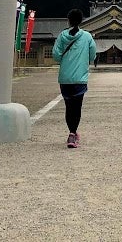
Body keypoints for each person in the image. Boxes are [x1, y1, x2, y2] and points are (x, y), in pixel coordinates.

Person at [51, 8, 96, 149]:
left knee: (68, 107)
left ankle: (72, 132)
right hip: (80, 78)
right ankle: (72, 133)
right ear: (81, 21)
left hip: (65, 77)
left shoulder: (62, 36)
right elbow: (92, 55)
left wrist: (66, 60)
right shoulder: (87, 36)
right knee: (77, 107)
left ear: (68, 20)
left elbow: (56, 55)